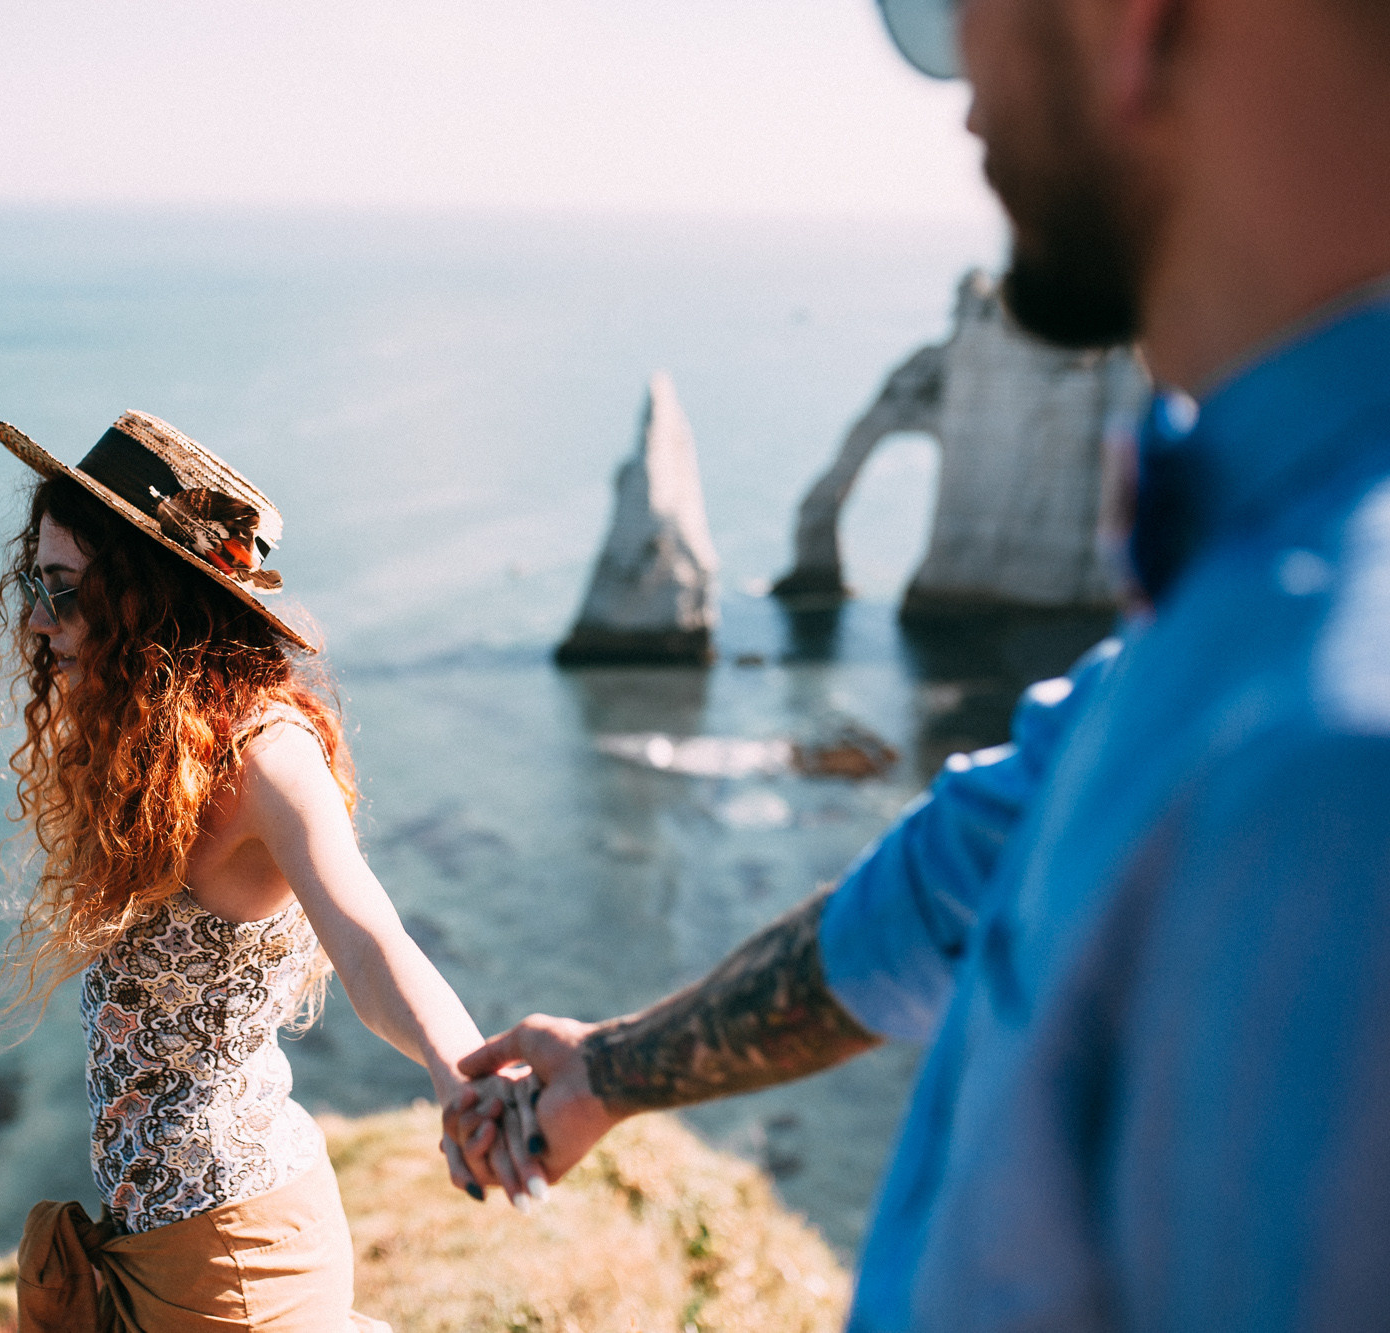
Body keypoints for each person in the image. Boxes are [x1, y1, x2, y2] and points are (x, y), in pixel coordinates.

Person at [454, 0, 1390, 1326]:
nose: (958, 101)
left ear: (1133, 23)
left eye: (961, 19)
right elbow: (930, 897)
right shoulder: (1221, 628)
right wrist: (606, 1068)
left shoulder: (1327, 757)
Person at [0, 412, 538, 1333]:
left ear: (148, 600)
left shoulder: (266, 756)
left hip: (232, 1262)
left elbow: (369, 939)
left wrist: (463, 1076)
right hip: (172, 1242)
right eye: (36, 581)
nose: (39, 620)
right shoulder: (150, 748)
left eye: (68, 591)